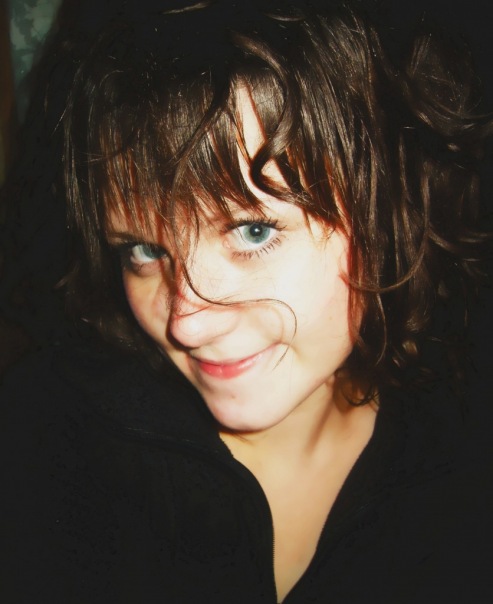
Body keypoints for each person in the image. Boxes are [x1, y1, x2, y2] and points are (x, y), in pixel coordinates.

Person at [1, 1, 492, 602]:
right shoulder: (43, 447)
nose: (187, 323)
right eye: (143, 250)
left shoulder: (462, 451)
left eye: (252, 231)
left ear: (392, 208)